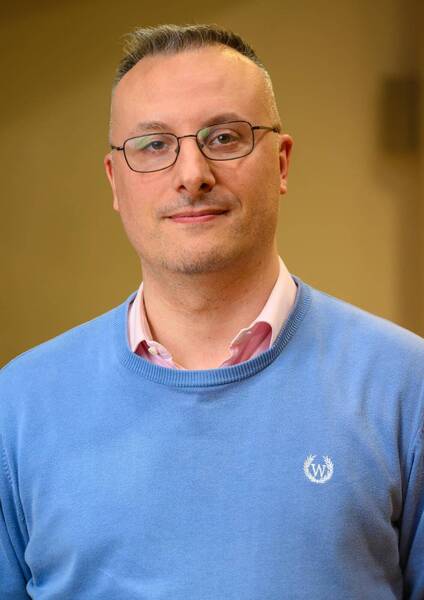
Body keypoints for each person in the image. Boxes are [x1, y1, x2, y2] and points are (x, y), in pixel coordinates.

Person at [0, 23, 423, 600]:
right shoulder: (19, 406)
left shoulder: (407, 387)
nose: (193, 175)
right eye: (154, 145)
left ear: (281, 163)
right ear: (116, 182)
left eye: (224, 137)